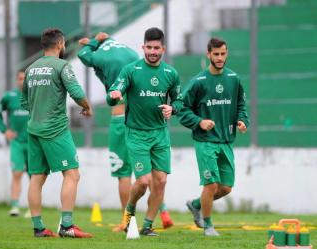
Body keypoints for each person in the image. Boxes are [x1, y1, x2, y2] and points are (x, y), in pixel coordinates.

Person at [77, 32, 174, 231]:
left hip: (122, 120)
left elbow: (83, 54)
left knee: (125, 174)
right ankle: (162, 211)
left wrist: (93, 43)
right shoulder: (130, 55)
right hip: (147, 119)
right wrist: (101, 39)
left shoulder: (100, 57)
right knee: (155, 176)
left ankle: (126, 221)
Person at [107, 27, 182, 236]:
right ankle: (129, 211)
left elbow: (179, 100)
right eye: (148, 47)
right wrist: (113, 95)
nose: (152, 51)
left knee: (161, 181)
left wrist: (172, 108)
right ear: (143, 47)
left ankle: (147, 226)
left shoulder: (170, 74)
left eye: (156, 48)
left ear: (163, 49)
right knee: (143, 181)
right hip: (136, 133)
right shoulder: (131, 70)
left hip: (160, 134)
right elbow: (115, 92)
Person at [21, 28, 93, 238]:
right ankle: (67, 225)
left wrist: (38, 111)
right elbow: (77, 93)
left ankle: (38, 228)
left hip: (33, 129)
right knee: (72, 174)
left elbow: (24, 101)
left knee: (36, 178)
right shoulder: (62, 66)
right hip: (55, 129)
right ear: (61, 44)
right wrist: (87, 107)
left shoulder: (30, 69)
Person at [178, 37, 249, 236]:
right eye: (215, 54)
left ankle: (195, 204)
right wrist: (199, 122)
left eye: (222, 54)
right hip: (205, 141)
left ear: (226, 54)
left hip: (226, 140)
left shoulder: (234, 79)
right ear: (208, 54)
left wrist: (242, 121)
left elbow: (241, 106)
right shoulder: (198, 82)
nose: (219, 58)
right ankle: (208, 226)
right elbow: (181, 109)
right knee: (211, 184)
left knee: (225, 188)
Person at [0, 70, 30, 217]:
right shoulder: (9, 97)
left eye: (25, 78)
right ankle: (14, 207)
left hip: (33, 142)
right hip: (17, 142)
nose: (22, 81)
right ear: (16, 80)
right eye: (20, 78)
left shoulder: (35, 95)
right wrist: (4, 130)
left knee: (34, 176)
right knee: (17, 173)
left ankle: (31, 208)